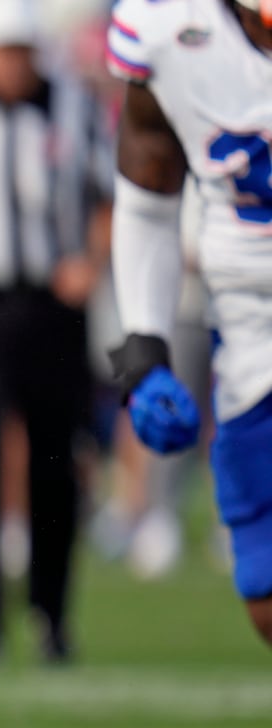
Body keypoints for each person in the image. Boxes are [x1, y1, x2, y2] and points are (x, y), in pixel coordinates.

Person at [0, 0, 113, 666]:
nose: (15, 64)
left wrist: (90, 264)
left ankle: (53, 615)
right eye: (5, 51)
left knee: (57, 460)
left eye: (24, 51)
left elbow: (111, 195)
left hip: (52, 306)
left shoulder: (73, 103)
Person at [104, 0, 272, 647]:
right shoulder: (169, 29)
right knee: (263, 590)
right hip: (250, 327)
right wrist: (145, 348)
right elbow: (148, 190)